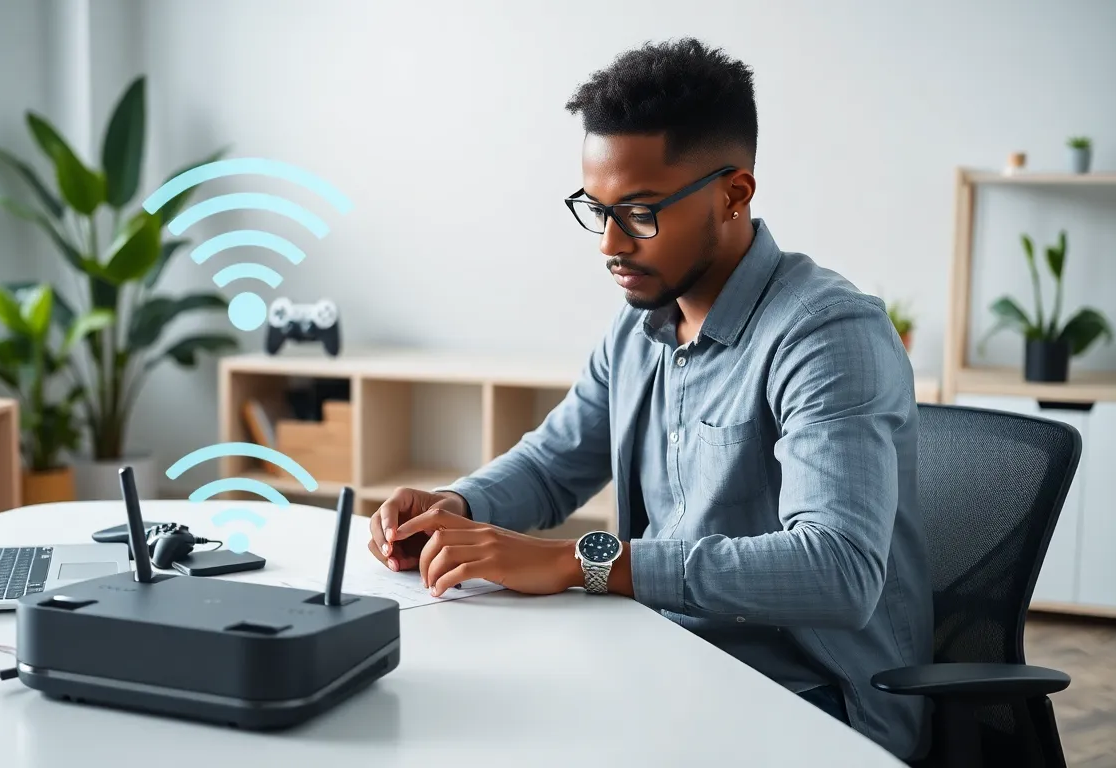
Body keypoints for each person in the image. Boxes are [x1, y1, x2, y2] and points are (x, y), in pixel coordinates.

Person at [366, 37, 932, 760]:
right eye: (595, 208)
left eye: (638, 212)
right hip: (667, 663)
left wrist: (583, 562)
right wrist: (459, 505)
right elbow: (553, 463)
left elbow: (838, 570)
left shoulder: (827, 334)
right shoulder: (640, 327)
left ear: (734, 194)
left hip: (815, 704)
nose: (609, 243)